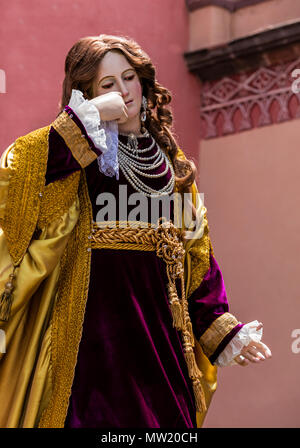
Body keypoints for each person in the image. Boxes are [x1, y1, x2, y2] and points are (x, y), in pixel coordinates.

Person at [0, 34, 271, 429]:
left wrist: (221, 328)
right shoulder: (79, 153)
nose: (123, 91)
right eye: (107, 84)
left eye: (129, 78)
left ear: (143, 84)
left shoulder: (171, 163)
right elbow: (21, 177)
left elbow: (196, 255)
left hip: (160, 333)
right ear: (87, 94)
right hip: (91, 336)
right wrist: (87, 119)